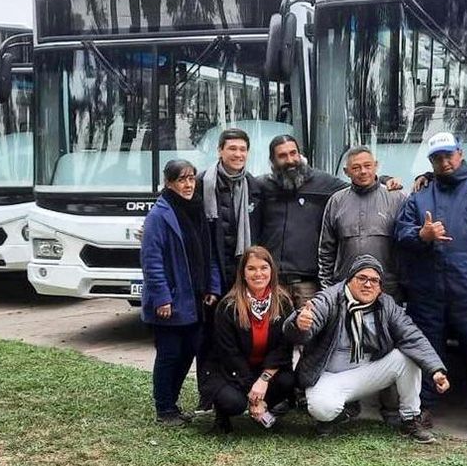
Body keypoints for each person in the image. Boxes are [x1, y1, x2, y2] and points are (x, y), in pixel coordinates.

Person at [394, 132, 467, 444]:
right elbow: (401, 235)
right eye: (437, 158)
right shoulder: (421, 196)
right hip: (428, 292)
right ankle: (423, 409)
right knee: (425, 352)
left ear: (461, 154)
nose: (444, 162)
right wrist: (423, 235)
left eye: (449, 155)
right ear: (431, 163)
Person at [284, 255, 449, 443]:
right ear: (349, 279)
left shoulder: (386, 304)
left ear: (380, 287)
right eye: (362, 278)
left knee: (407, 358)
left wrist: (436, 369)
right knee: (322, 409)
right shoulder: (330, 298)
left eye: (374, 280)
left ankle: (410, 419)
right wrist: (300, 324)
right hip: (329, 374)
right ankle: (342, 412)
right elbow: (301, 327)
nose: (368, 285)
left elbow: (411, 335)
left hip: (368, 372)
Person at [317, 145, 407, 425]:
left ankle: (391, 408)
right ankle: (349, 405)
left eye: (367, 165)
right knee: (348, 346)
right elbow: (326, 249)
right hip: (346, 290)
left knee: (388, 345)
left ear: (376, 166)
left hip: (387, 289)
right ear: (347, 172)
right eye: (356, 167)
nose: (363, 171)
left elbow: (406, 245)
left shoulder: (395, 197)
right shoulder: (336, 201)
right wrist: (327, 287)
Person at [258, 135, 400, 308]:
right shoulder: (262, 186)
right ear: (272, 160)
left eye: (293, 153)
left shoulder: (323, 183)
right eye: (282, 156)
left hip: (308, 284)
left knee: (308, 332)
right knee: (275, 332)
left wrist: (384, 179)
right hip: (272, 283)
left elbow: (360, 182)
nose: (290, 160)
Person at [139, 159, 223, 426]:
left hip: (195, 300)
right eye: (181, 180)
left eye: (191, 179)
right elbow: (152, 261)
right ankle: (164, 408)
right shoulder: (158, 216)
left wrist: (212, 286)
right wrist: (162, 298)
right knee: (169, 354)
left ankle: (172, 405)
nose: (188, 185)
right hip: (172, 300)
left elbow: (208, 253)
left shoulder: (197, 210)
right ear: (168, 183)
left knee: (188, 352)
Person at [201, 246, 296, 433]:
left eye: (263, 267)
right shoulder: (228, 306)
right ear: (242, 273)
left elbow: (283, 348)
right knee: (233, 402)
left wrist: (263, 380)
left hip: (263, 369)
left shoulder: (283, 303)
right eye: (251, 268)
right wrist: (254, 393)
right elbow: (229, 354)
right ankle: (223, 414)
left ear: (272, 271)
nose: (258, 273)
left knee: (288, 380)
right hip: (230, 370)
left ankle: (264, 405)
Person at [197, 127, 262, 285]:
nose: (238, 154)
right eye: (232, 149)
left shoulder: (255, 187)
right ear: (220, 151)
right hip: (209, 272)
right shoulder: (201, 183)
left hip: (243, 271)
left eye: (243, 149)